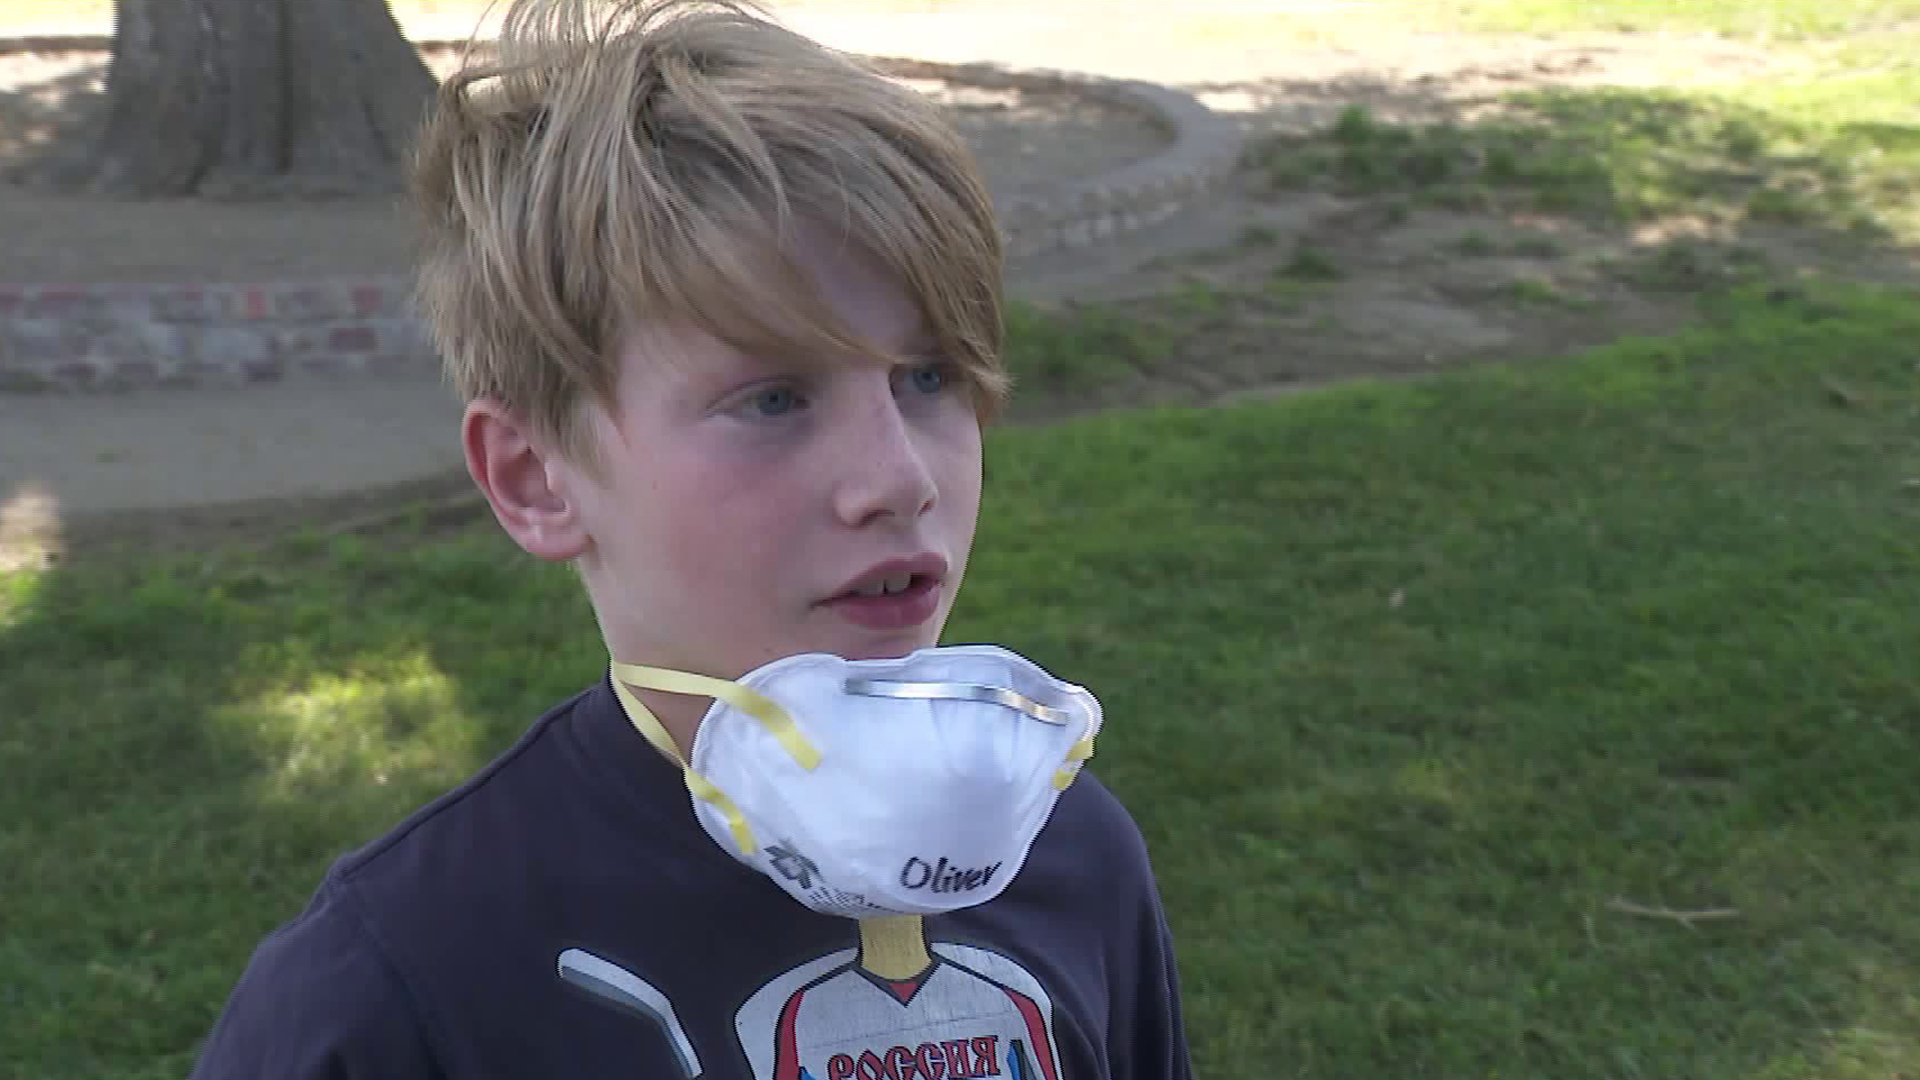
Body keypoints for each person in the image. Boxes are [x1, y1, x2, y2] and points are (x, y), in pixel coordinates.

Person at [187, 1, 1193, 1076]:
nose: (898, 478)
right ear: (538, 481)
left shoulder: (1072, 854)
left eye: (929, 377)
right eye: (773, 400)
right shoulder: (400, 987)